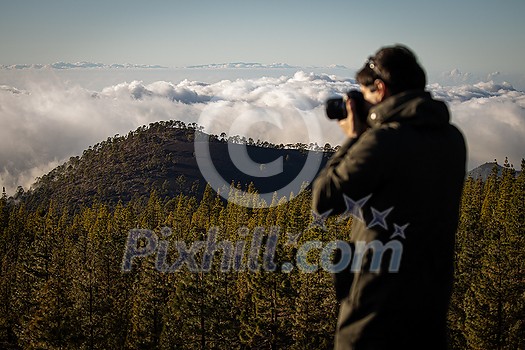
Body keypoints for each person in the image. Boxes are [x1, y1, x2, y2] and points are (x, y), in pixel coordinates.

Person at [312, 45, 466, 349]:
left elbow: (324, 200)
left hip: (375, 312)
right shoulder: (452, 138)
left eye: (364, 94)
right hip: (430, 309)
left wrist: (354, 137)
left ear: (380, 89)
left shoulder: (382, 142)